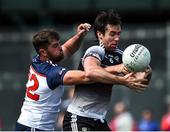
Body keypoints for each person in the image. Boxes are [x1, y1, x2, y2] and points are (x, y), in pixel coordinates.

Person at [15, 23, 147, 131]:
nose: (60, 48)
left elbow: (67, 48)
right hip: (35, 127)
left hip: (29, 124)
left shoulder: (39, 59)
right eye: (55, 46)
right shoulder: (51, 73)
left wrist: (79, 36)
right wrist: (118, 73)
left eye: (58, 43)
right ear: (43, 52)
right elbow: (87, 76)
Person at [63, 9, 152, 131]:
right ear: (100, 34)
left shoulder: (122, 56)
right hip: (79, 118)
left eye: (118, 34)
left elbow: (140, 84)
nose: (117, 38)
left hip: (99, 121)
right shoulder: (95, 50)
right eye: (112, 34)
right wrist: (118, 72)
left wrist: (146, 72)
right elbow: (91, 72)